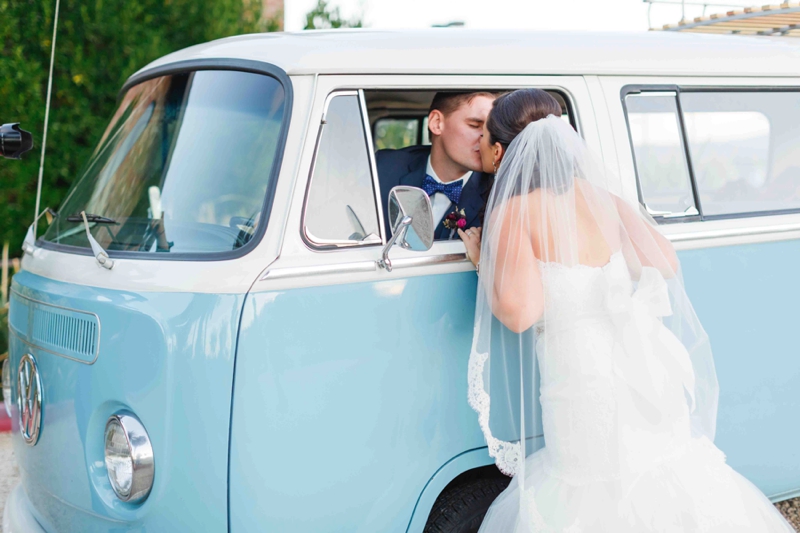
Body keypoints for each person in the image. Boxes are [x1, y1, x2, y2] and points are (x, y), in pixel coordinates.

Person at [460, 89, 795, 532]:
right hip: (642, 370)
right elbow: (664, 262)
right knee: (663, 474)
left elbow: (521, 312)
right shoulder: (603, 198)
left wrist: (485, 263)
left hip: (580, 380)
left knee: (592, 488)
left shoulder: (514, 211)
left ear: (505, 151)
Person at [375, 91, 496, 240]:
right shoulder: (383, 168)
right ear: (437, 123)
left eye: (491, 130)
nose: (487, 140)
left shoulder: (498, 194)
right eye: (474, 125)